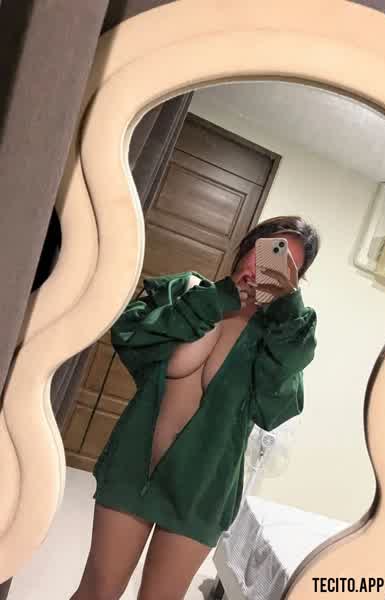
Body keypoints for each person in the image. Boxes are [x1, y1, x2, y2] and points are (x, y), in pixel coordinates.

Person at [70, 215, 320, 600]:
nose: (271, 266)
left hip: (203, 493)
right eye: (271, 250)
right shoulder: (188, 291)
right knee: (96, 592)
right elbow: (130, 337)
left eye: (288, 266)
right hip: (134, 467)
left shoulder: (277, 342)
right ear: (248, 247)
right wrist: (216, 300)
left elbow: (275, 409)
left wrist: (287, 312)